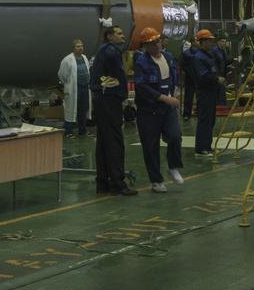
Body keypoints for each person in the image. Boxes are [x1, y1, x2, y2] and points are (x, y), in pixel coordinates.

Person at [133, 27, 184, 192]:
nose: (156, 46)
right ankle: (156, 180)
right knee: (150, 146)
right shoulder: (142, 62)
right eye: (152, 44)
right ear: (145, 46)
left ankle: (173, 166)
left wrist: (175, 91)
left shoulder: (168, 57)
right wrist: (163, 98)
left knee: (175, 136)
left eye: (158, 42)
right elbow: (142, 87)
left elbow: (173, 76)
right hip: (149, 110)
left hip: (167, 107)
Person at [89, 26, 137, 196]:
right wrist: (124, 96)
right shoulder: (112, 52)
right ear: (109, 36)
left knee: (103, 141)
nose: (122, 36)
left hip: (101, 99)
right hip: (110, 99)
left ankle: (103, 182)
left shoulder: (102, 50)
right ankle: (118, 182)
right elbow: (120, 75)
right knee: (115, 141)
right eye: (118, 33)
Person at [192, 29, 220, 156]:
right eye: (208, 41)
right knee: (204, 120)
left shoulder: (209, 55)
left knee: (211, 120)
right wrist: (216, 78)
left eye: (211, 41)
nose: (211, 43)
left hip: (211, 91)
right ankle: (201, 148)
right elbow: (202, 76)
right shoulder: (199, 57)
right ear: (202, 42)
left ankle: (207, 146)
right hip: (204, 92)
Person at [58, 39, 91, 137]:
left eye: (82, 46)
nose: (81, 48)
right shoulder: (67, 60)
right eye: (78, 46)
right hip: (73, 89)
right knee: (70, 110)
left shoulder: (84, 58)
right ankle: (68, 132)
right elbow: (61, 75)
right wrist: (68, 84)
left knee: (83, 109)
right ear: (73, 48)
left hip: (85, 88)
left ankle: (83, 131)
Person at [181, 39, 197, 120]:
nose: (196, 42)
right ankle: (186, 114)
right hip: (190, 79)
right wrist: (190, 73)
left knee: (200, 97)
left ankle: (199, 112)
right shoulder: (186, 54)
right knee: (188, 97)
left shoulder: (200, 53)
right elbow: (183, 65)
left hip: (199, 79)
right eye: (195, 41)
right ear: (192, 42)